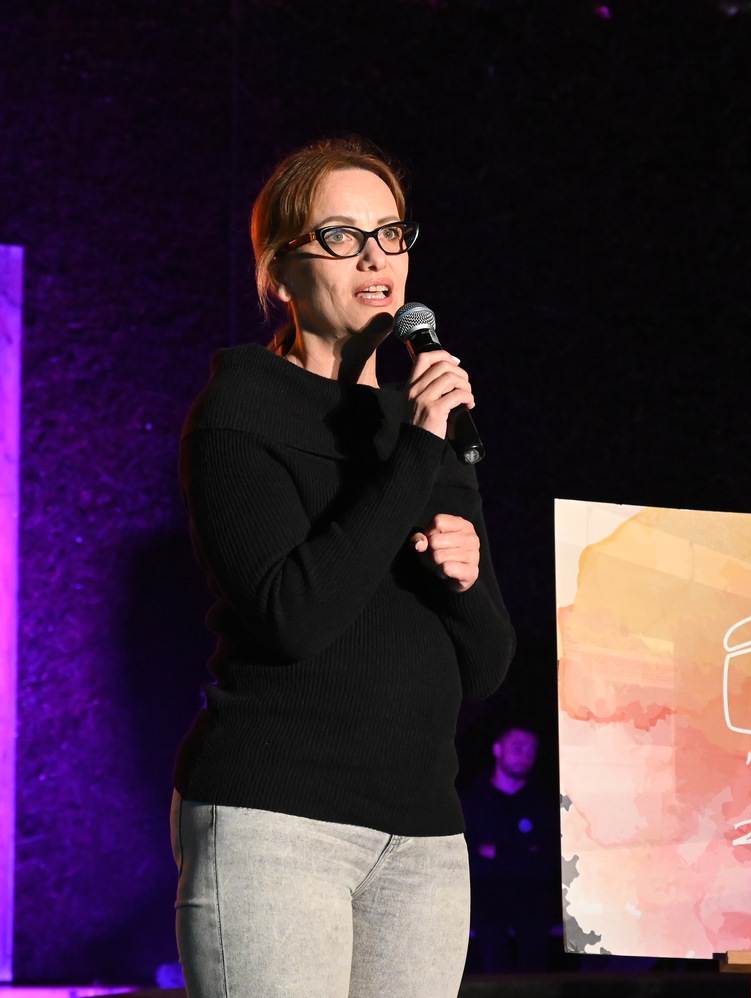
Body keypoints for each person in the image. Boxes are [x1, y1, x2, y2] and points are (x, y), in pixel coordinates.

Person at [169, 135, 516, 998]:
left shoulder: (426, 419)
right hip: (277, 822)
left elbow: (488, 666)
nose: (374, 258)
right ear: (280, 271)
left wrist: (464, 581)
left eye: (391, 234)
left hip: (423, 837)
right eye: (340, 236)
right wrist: (416, 452)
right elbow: (294, 616)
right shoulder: (243, 408)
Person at [460, 724, 561, 972]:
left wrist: (497, 852)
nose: (525, 755)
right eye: (517, 747)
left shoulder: (544, 803)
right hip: (484, 895)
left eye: (531, 750)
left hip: (533, 895)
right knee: (492, 953)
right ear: (497, 749)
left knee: (535, 958)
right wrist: (522, 854)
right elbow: (467, 860)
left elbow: (548, 863)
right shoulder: (471, 801)